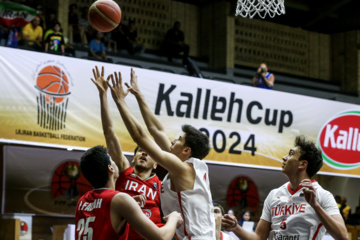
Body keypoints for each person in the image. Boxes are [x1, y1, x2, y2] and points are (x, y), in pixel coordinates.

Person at [106, 68, 216, 239]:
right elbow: (157, 130)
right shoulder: (186, 167)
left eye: (178, 139)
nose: (172, 140)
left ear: (186, 150)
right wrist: (138, 94)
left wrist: (120, 101)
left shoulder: (184, 170)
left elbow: (140, 137)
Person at [222, 136, 348, 240]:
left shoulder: (322, 195)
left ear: (302, 164)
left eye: (291, 154)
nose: (284, 158)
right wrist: (235, 227)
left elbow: (343, 236)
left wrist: (315, 205)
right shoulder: (274, 194)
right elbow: (259, 237)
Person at [90, 66, 163, 240]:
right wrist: (103, 96)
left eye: (148, 153)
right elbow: (109, 132)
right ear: (133, 158)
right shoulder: (125, 172)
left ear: (157, 163)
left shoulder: (162, 186)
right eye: (140, 151)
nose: (144, 154)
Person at [75, 145, 182, 240]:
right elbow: (162, 237)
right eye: (112, 160)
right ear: (111, 169)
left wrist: (128, 203)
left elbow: (106, 219)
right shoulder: (119, 199)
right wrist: (174, 218)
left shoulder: (82, 201)